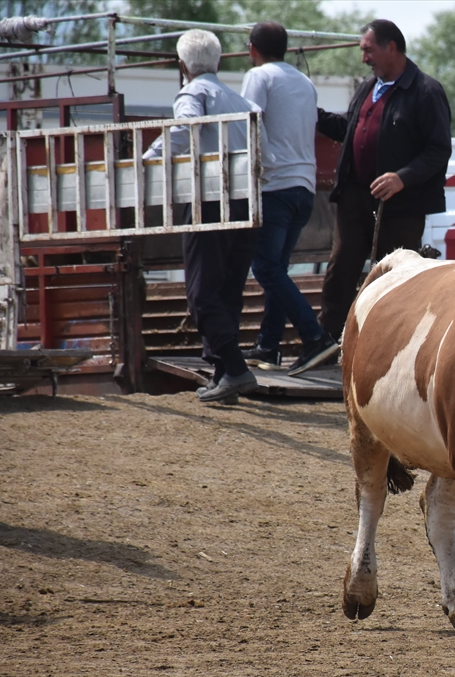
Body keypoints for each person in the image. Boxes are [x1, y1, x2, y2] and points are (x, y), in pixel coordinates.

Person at [315, 18, 452, 344]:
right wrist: (311, 113)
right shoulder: (367, 87)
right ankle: (327, 340)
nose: (364, 58)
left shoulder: (426, 91)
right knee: (341, 269)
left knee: (396, 275)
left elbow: (438, 150)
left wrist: (401, 178)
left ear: (391, 47)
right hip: (354, 198)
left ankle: (392, 345)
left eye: (368, 50)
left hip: (400, 204)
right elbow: (349, 128)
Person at [143, 29, 261, 403]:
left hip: (210, 202)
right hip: (246, 202)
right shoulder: (241, 101)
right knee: (227, 292)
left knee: (200, 294)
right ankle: (224, 376)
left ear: (182, 66)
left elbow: (184, 131)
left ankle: (236, 370)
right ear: (220, 61)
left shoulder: (193, 93)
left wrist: (146, 161)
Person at [239, 21, 338, 377]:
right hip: (304, 189)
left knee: (264, 268)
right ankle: (268, 345)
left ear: (252, 48)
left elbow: (251, 122)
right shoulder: (303, 82)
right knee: (276, 269)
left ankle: (315, 338)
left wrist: (259, 169)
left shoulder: (259, 77)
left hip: (275, 186)